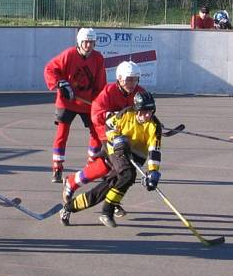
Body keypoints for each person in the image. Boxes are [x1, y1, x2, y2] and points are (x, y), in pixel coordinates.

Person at [59, 92, 162, 228]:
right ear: (137, 110)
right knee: (128, 175)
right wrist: (117, 139)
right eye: (143, 111)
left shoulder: (155, 126)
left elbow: (154, 151)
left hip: (135, 157)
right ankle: (107, 211)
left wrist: (153, 172)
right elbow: (109, 125)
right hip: (116, 149)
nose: (147, 115)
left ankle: (68, 208)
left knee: (106, 189)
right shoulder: (126, 114)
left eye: (150, 111)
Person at [62, 61, 146, 217]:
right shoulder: (108, 92)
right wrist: (111, 116)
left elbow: (146, 110)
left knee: (106, 166)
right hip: (109, 134)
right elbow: (96, 114)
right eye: (129, 79)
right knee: (121, 170)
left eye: (135, 79)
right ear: (119, 79)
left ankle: (73, 181)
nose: (132, 83)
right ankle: (111, 201)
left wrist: (152, 121)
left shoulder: (139, 92)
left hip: (129, 136)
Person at [44, 27, 107, 183]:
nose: (88, 45)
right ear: (79, 42)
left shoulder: (98, 58)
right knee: (62, 134)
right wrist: (60, 83)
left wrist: (100, 102)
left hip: (88, 103)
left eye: (91, 42)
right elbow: (50, 69)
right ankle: (57, 168)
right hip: (67, 101)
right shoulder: (69, 54)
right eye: (85, 42)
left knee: (96, 133)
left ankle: (92, 166)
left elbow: (100, 83)